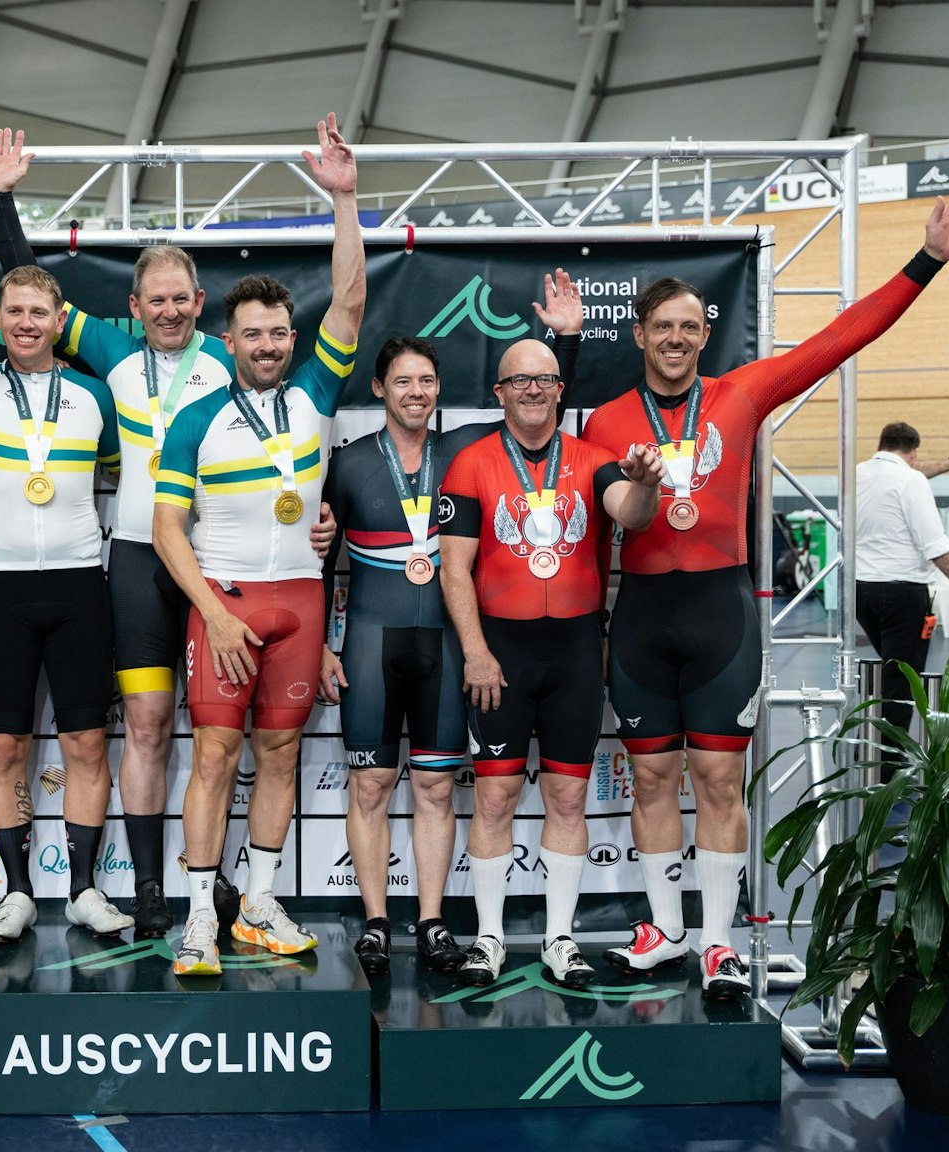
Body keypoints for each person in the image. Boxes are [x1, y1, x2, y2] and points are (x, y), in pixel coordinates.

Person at [582, 182, 949, 998]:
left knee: (719, 782)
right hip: (642, 618)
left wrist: (929, 260)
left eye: (688, 327)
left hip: (720, 614)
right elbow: (609, 525)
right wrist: (630, 518)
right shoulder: (606, 422)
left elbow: (844, 335)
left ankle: (718, 943)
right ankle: (665, 931)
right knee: (653, 780)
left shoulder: (742, 393)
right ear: (638, 335)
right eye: (661, 327)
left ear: (705, 335)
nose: (675, 339)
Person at [0, 128, 243, 937]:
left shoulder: (233, 359)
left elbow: (291, 433)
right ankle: (151, 886)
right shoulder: (113, 353)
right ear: (134, 307)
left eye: (180, 298)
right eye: (154, 299)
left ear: (200, 301)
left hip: (217, 557)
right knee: (149, 726)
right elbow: (32, 290)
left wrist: (323, 513)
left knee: (222, 733)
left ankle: (211, 877)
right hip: (133, 562)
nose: (168, 310)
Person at [319, 271, 583, 977]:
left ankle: (433, 921)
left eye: (427, 382)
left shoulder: (469, 449)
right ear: (379, 389)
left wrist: (565, 343)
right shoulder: (347, 465)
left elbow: (540, 413)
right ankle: (377, 924)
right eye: (403, 381)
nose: (416, 392)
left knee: (436, 788)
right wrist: (319, 643)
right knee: (370, 787)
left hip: (446, 645)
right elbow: (318, 561)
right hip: (369, 642)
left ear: (441, 390)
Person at [152, 114, 365, 977]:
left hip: (303, 603)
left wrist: (344, 199)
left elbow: (350, 301)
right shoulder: (195, 419)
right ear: (229, 340)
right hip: (227, 605)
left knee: (281, 754)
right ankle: (201, 915)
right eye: (253, 334)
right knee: (214, 757)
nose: (269, 346)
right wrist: (213, 612)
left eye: (279, 333)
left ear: (290, 339)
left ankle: (260, 903)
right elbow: (166, 529)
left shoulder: (315, 393)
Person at [0, 171, 134, 942]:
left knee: (86, 744)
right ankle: (16, 891)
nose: (25, 322)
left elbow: (134, 472)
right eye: (12, 311)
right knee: (5, 746)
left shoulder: (95, 397)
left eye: (38, 312)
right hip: (1, 590)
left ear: (57, 321)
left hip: (81, 586)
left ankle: (83, 889)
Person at [437, 339, 662, 987]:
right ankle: (488, 938)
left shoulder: (593, 461)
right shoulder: (471, 463)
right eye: (519, 380)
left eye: (544, 379)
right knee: (494, 797)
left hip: (574, 653)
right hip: (499, 655)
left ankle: (560, 937)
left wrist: (646, 486)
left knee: (567, 798)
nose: (532, 389)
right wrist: (476, 652)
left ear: (561, 389)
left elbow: (632, 514)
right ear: (499, 393)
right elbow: (453, 570)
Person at [854, 421, 949, 772]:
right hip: (903, 595)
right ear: (913, 452)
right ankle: (887, 768)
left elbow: (910, 473)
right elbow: (936, 546)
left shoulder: (859, 474)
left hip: (861, 592)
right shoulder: (911, 481)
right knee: (902, 681)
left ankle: (867, 747)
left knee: (887, 673)